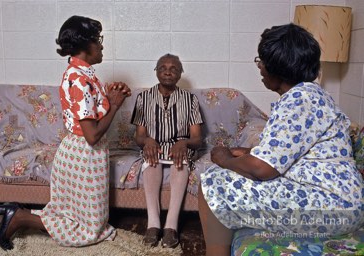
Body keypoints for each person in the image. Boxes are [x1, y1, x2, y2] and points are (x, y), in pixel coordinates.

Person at [198, 23, 364, 256]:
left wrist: (224, 158)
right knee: (224, 177)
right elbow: (295, 152)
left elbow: (263, 169)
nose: (260, 68)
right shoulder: (310, 95)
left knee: (212, 184)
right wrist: (249, 153)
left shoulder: (299, 99)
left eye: (262, 61)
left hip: (333, 207)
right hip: (338, 201)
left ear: (277, 68)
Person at [0, 15, 131, 250]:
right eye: (98, 39)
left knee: (78, 216)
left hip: (78, 152)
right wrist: (114, 105)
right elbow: (92, 135)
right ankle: (20, 216)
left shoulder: (81, 73)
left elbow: (87, 110)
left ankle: (15, 214)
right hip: (84, 155)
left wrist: (108, 94)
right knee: (89, 229)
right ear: (86, 45)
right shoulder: (80, 80)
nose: (102, 45)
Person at [131, 53, 203, 248]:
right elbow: (139, 136)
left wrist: (185, 143)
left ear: (180, 73)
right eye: (163, 68)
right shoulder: (143, 98)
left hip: (178, 148)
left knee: (180, 160)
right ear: (156, 71)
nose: (168, 72)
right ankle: (153, 225)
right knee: (151, 158)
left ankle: (171, 226)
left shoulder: (190, 99)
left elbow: (197, 138)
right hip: (153, 146)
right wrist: (147, 141)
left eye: (173, 69)